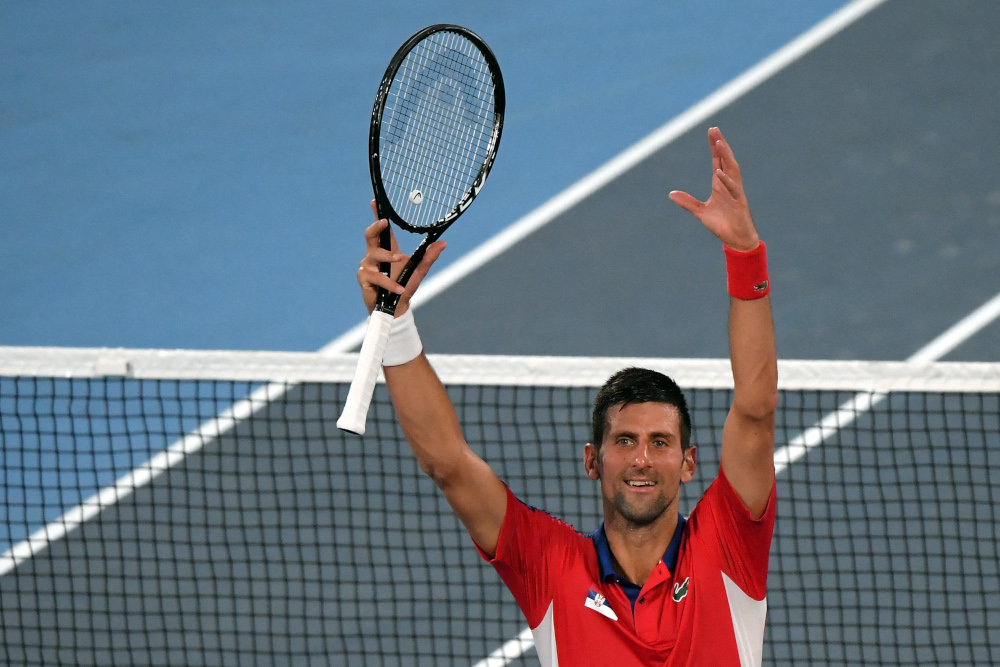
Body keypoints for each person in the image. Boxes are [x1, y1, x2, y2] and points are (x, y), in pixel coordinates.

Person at [353, 127, 777, 666]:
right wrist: (394, 323)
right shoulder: (550, 565)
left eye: (660, 442)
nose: (642, 458)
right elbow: (448, 466)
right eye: (624, 440)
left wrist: (745, 254)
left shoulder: (728, 544)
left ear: (689, 462)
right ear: (592, 460)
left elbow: (756, 409)